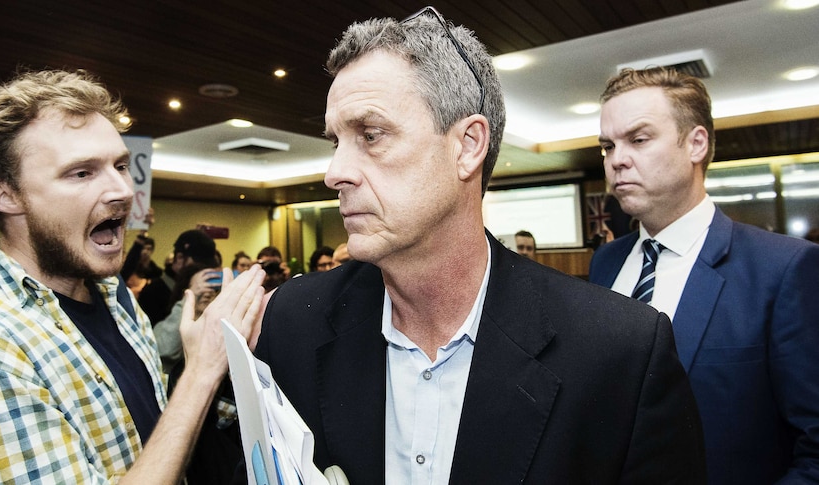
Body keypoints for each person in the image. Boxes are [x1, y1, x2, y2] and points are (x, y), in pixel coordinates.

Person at [245, 9, 705, 484]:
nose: (334, 172)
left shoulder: (619, 351)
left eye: (370, 135)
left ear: (467, 145)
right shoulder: (293, 323)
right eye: (335, 141)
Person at [0, 69, 266, 483]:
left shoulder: (114, 297)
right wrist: (200, 372)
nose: (123, 189)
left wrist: (225, 366)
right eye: (81, 172)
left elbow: (154, 436)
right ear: (5, 194)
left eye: (121, 165)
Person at [590, 67, 819, 484]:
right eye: (608, 146)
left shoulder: (784, 269)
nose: (616, 160)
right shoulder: (604, 264)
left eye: (638, 139)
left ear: (696, 143)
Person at [138, 228, 217, 325]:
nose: (202, 273)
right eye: (198, 266)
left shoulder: (205, 291)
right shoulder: (153, 292)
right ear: (179, 258)